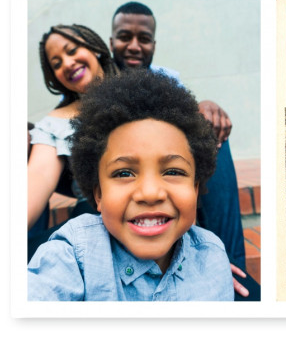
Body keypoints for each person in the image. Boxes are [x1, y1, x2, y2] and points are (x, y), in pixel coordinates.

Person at [28, 69, 234, 301]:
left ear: (195, 189)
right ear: (98, 194)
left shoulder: (212, 257)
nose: (149, 193)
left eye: (173, 171)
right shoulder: (74, 254)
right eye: (124, 172)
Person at [110, 2, 253, 287]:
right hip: (128, 175)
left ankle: (232, 266)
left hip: (167, 167)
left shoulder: (166, 78)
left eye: (144, 39)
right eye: (125, 37)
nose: (135, 46)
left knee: (212, 135)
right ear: (112, 40)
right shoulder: (99, 79)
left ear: (154, 43)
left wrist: (206, 106)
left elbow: (188, 118)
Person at [27, 24, 119, 233]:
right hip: (92, 228)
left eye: (72, 50)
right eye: (57, 64)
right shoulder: (54, 124)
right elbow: (37, 179)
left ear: (93, 47)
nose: (67, 63)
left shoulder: (143, 90)